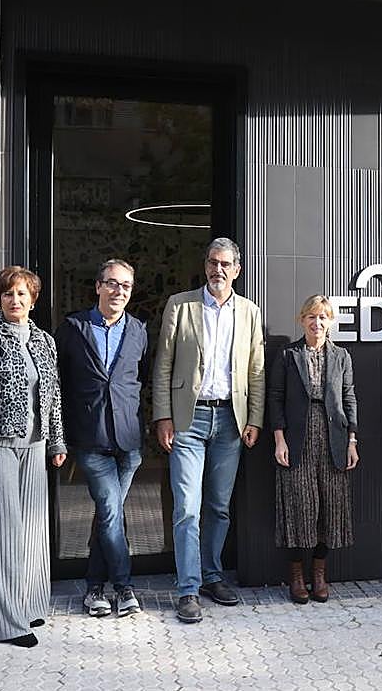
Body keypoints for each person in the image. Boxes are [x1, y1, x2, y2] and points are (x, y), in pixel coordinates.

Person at [152, 238, 265, 624]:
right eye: (213, 263)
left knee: (218, 506)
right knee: (187, 507)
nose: (218, 270)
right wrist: (162, 416)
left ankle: (211, 576)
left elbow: (256, 371)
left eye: (226, 264)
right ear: (205, 266)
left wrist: (255, 418)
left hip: (230, 422)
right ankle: (187, 588)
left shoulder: (249, 312)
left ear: (237, 270)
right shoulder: (181, 305)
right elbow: (163, 364)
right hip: (188, 418)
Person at [0, 266, 66, 648]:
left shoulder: (44, 341)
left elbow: (52, 395)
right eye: (8, 294)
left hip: (35, 445)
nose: (15, 300)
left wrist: (56, 443)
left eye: (22, 294)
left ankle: (31, 605)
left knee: (34, 533)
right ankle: (6, 624)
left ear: (32, 300)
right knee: (1, 536)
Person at [55, 259, 149, 619]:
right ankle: (124, 589)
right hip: (90, 439)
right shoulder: (73, 328)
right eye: (111, 283)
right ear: (97, 286)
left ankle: (94, 588)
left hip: (128, 441)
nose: (118, 291)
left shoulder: (139, 330)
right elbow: (57, 383)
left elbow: (138, 378)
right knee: (110, 512)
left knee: (107, 516)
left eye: (125, 286)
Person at [268, 295, 359, 604]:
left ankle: (319, 573)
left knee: (330, 508)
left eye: (323, 317)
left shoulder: (342, 356)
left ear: (330, 322)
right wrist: (279, 439)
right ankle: (296, 576)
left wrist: (352, 441)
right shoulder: (287, 355)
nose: (317, 323)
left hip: (333, 438)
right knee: (299, 507)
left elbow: (349, 398)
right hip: (297, 438)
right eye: (311, 317)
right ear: (301, 320)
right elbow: (276, 398)